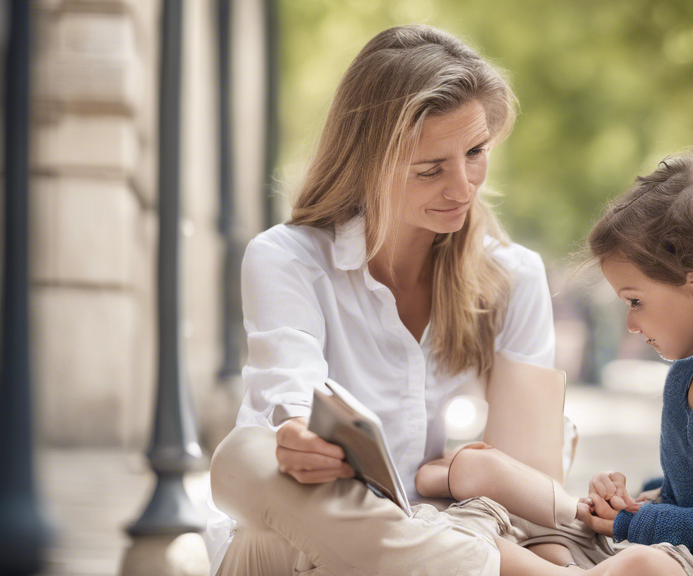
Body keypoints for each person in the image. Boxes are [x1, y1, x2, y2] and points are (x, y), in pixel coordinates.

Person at [206, 24, 560, 576]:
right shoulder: (287, 260)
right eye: (430, 169)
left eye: (475, 152)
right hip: (297, 541)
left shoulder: (515, 279)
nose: (463, 187)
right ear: (367, 164)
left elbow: (535, 495)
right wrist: (297, 439)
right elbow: (290, 398)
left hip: (454, 536)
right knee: (245, 459)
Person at [418, 150, 693, 576]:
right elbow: (690, 497)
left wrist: (630, 525)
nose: (630, 323)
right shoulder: (686, 375)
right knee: (571, 538)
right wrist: (632, 503)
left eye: (635, 301)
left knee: (639, 564)